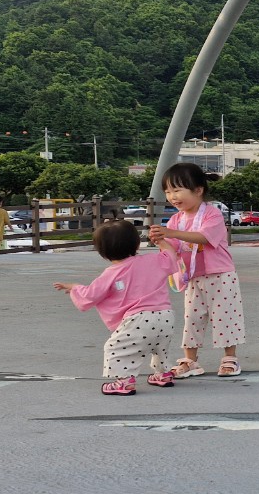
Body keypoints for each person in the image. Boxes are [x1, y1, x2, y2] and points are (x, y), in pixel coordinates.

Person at [54, 220, 184, 396]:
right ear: (136, 244)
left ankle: (124, 382)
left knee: (116, 348)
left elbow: (90, 295)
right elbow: (171, 255)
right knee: (159, 347)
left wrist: (75, 288)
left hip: (138, 319)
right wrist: (161, 241)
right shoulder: (153, 260)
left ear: (102, 251)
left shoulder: (112, 273)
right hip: (165, 315)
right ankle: (163, 374)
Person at [148, 162, 246, 378]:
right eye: (168, 192)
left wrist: (171, 233)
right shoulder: (176, 220)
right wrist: (161, 241)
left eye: (177, 190)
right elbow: (172, 250)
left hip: (220, 275)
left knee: (225, 317)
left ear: (198, 190)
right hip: (193, 277)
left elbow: (204, 237)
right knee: (192, 319)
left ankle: (230, 358)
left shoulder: (212, 214)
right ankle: (190, 360)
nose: (172, 197)